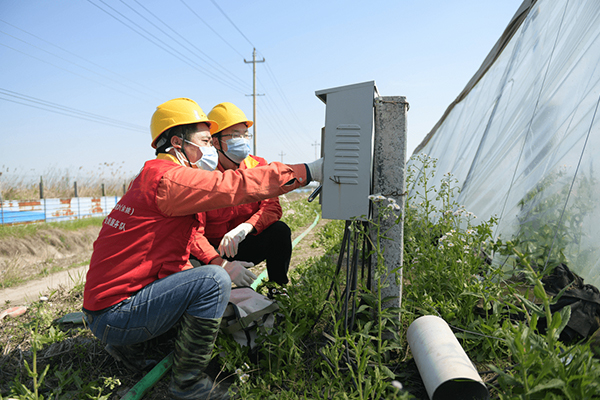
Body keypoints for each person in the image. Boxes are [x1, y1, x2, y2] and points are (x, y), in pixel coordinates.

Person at [82, 97, 323, 400]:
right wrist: (308, 171)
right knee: (212, 280)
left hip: (107, 310)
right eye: (206, 141)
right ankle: (189, 384)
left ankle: (136, 345)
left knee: (210, 280)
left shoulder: (153, 176)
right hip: (116, 316)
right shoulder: (170, 179)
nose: (209, 149)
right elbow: (232, 186)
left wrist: (225, 264)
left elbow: (182, 249)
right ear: (177, 143)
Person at [188, 102, 292, 293]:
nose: (243, 140)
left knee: (279, 231)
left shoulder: (257, 165)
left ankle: (278, 288)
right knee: (188, 264)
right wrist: (219, 262)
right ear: (216, 142)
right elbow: (193, 231)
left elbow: (272, 207)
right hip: (210, 250)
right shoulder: (202, 173)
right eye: (235, 135)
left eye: (245, 134)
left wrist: (246, 228)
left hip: (243, 243)